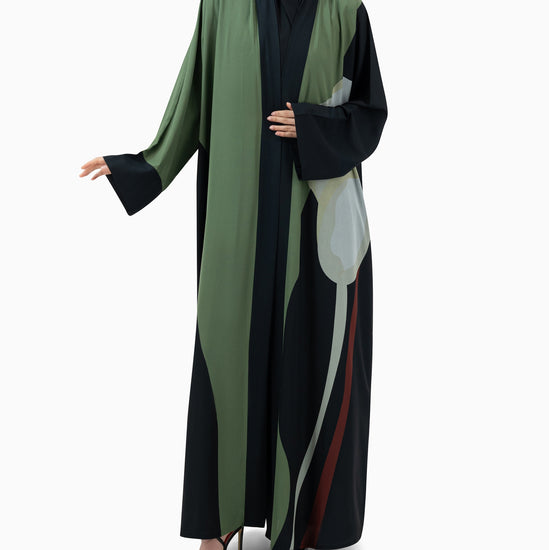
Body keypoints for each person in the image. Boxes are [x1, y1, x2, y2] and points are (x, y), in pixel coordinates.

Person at [79, 0, 388, 549]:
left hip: (319, 232)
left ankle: (303, 522)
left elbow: (371, 113)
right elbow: (193, 100)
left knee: (310, 359)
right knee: (226, 360)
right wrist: (142, 165)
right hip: (237, 225)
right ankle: (221, 521)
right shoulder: (221, 7)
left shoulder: (345, 11)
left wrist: (314, 125)